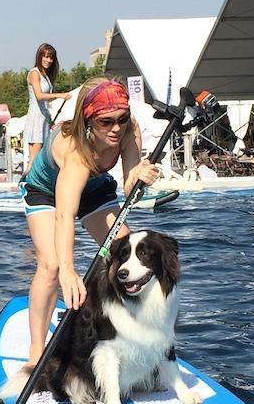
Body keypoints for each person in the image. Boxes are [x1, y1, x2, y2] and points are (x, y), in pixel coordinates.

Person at [21, 77, 159, 366]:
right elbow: (64, 216)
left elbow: (129, 183)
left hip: (93, 190)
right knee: (51, 264)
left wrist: (141, 177)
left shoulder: (128, 131)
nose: (116, 128)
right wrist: (69, 271)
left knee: (126, 256)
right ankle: (36, 353)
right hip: (46, 193)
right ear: (88, 120)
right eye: (106, 122)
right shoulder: (76, 152)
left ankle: (127, 336)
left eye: (122, 119)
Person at [23, 43, 71, 174]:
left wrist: (50, 118)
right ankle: (26, 185)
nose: (48, 60)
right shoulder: (34, 73)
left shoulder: (46, 76)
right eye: (45, 57)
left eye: (51, 58)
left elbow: (46, 100)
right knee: (34, 158)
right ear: (40, 57)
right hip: (36, 118)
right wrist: (60, 95)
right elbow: (39, 95)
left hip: (44, 118)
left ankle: (30, 184)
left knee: (39, 158)